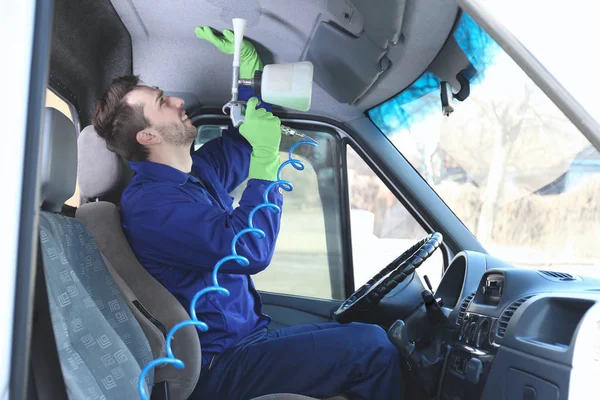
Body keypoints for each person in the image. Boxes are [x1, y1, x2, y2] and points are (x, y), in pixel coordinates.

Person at [92, 26, 402, 400]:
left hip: (248, 338)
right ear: (148, 137)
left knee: (369, 334)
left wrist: (252, 78)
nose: (177, 101)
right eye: (162, 102)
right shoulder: (149, 207)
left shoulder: (196, 173)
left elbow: (247, 136)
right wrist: (267, 162)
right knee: (372, 349)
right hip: (216, 366)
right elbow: (249, 249)